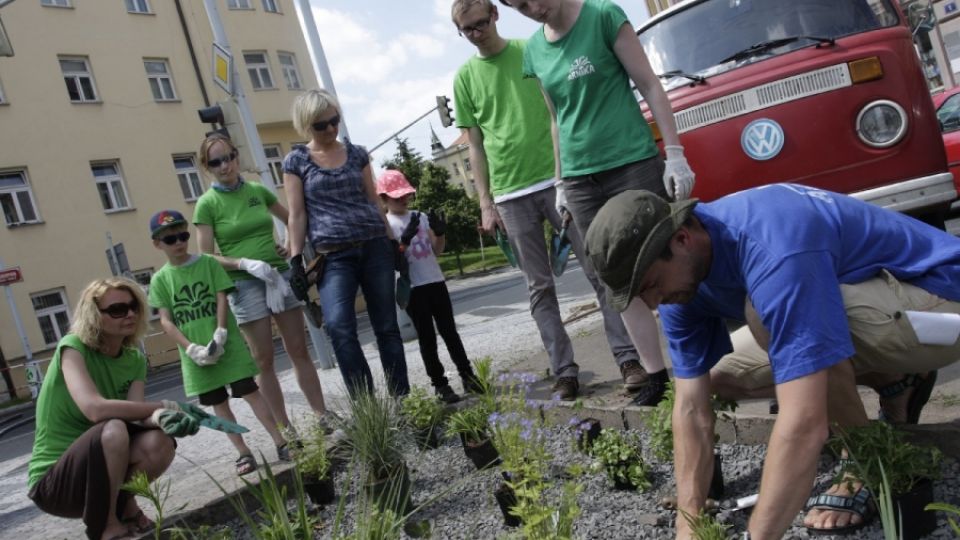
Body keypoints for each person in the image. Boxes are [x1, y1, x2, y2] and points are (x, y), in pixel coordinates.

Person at [584, 184, 960, 539]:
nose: (653, 304)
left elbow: (804, 423)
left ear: (681, 240)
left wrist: (756, 534)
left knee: (773, 319)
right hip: (879, 312)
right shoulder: (680, 278)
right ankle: (896, 380)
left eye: (650, 286)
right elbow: (690, 408)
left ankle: (865, 463)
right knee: (718, 377)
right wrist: (690, 521)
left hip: (938, 300)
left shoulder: (769, 244)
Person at [499, 0, 696, 404]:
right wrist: (559, 181)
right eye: (518, 6)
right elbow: (556, 118)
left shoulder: (604, 15)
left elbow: (650, 85)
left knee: (667, 261)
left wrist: (674, 152)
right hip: (578, 180)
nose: (531, 8)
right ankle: (655, 377)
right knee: (615, 278)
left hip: (631, 163)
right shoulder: (535, 49)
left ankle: (698, 367)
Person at [27, 277, 198, 540]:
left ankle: (125, 509)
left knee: (160, 441)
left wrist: (164, 417)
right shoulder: (73, 348)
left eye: (134, 307)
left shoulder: (134, 359)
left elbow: (138, 417)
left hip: (102, 480)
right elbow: (94, 409)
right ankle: (105, 527)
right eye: (117, 309)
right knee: (114, 428)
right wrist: (163, 405)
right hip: (56, 484)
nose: (129, 314)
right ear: (94, 315)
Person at [194, 133, 332, 431]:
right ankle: (285, 430)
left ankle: (322, 415)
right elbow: (205, 257)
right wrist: (243, 263)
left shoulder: (257, 191)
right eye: (216, 162)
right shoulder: (207, 204)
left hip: (278, 276)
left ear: (236, 156)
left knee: (298, 349)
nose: (225, 166)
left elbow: (293, 219)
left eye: (228, 157)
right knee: (263, 360)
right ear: (207, 166)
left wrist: (286, 245)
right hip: (244, 284)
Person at [283, 88, 410, 398]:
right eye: (320, 125)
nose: (330, 129)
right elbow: (297, 215)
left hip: (374, 246)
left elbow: (373, 202)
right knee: (339, 327)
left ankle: (403, 402)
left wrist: (394, 244)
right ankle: (368, 409)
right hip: (333, 256)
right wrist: (295, 259)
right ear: (306, 125)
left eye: (334, 121)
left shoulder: (357, 154)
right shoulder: (296, 160)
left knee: (387, 327)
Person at [148, 210, 292, 475]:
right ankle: (242, 451)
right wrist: (190, 348)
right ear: (158, 244)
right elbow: (166, 320)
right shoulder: (160, 279)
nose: (179, 242)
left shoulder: (208, 263)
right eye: (170, 239)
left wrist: (221, 331)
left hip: (228, 347)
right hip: (196, 356)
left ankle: (281, 441)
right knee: (218, 402)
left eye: (183, 235)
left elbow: (221, 297)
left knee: (250, 392)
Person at [376, 170, 481, 403]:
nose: (403, 200)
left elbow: (436, 250)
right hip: (413, 288)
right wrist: (403, 241)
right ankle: (440, 384)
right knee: (427, 337)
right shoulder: (387, 225)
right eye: (396, 197)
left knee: (450, 332)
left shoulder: (421, 217)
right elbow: (394, 263)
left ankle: (468, 375)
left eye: (406, 195)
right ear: (383, 199)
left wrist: (440, 234)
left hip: (435, 281)